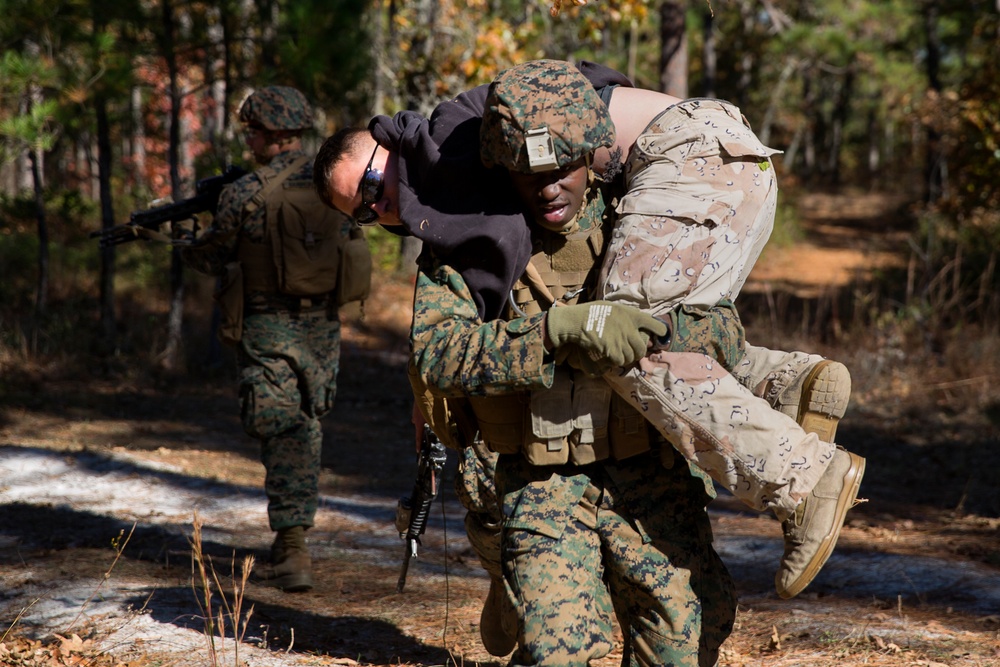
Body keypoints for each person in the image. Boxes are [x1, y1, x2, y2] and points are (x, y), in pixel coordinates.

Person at [180, 85, 368, 593]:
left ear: (268, 134)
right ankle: (293, 537)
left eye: (253, 132)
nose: (250, 141)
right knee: (306, 426)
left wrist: (181, 242)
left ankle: (291, 545)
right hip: (322, 326)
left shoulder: (246, 192)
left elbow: (211, 255)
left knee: (283, 429)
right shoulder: (336, 184)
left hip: (266, 325)